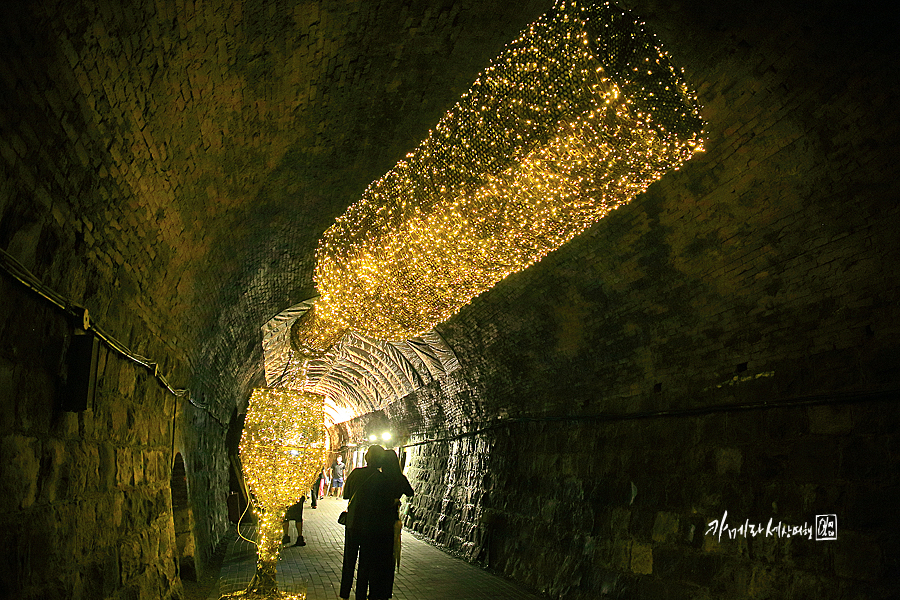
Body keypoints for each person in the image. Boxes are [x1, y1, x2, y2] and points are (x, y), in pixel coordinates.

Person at [340, 446, 414, 600]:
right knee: (365, 562)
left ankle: (345, 592)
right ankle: (360, 593)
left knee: (349, 559)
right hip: (371, 526)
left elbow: (346, 495)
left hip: (353, 522)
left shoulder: (356, 473)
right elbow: (385, 502)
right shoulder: (381, 479)